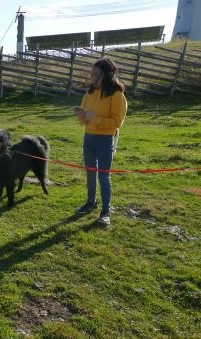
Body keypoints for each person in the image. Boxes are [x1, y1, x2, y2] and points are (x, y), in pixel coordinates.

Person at [73, 57, 127, 225]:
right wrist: (82, 117)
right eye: (91, 74)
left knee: (104, 176)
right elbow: (85, 122)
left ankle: (106, 211)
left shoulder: (117, 96)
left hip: (105, 140)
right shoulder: (89, 94)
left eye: (96, 75)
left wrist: (92, 117)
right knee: (90, 173)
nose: (92, 78)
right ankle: (91, 203)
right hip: (88, 138)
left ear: (108, 75)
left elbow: (116, 123)